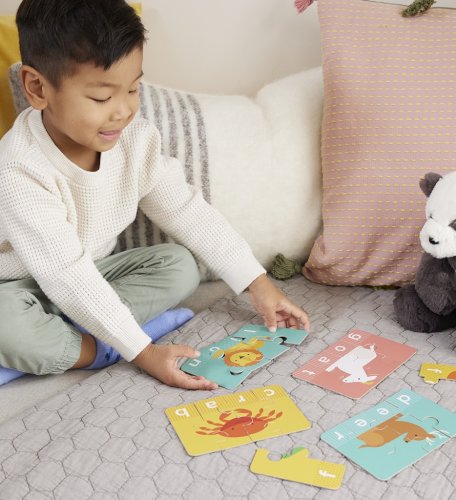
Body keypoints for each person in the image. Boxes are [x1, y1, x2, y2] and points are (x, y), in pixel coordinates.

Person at [0, 0, 310, 390]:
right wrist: (144, 353)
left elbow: (186, 210)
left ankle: (93, 329)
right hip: (16, 288)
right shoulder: (19, 170)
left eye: (133, 89)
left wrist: (258, 284)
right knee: (7, 324)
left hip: (93, 272)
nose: (122, 111)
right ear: (36, 88)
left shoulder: (134, 139)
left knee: (179, 265)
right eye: (101, 98)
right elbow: (65, 275)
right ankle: (100, 349)